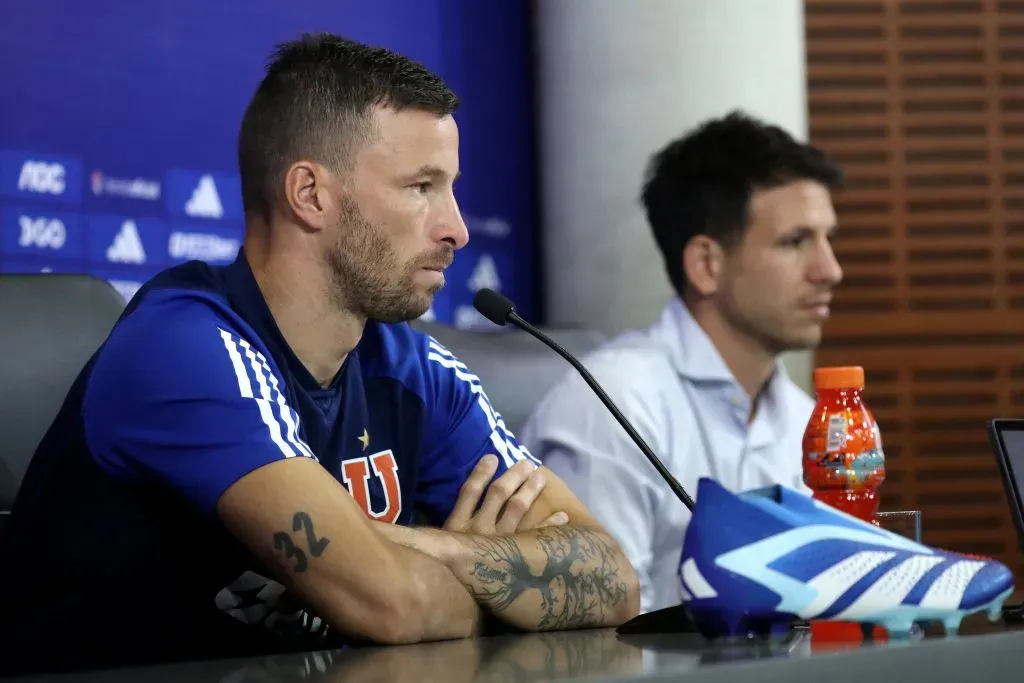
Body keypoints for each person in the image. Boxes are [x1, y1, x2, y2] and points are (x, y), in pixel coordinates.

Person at [0, 34, 639, 675]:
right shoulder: (185, 348)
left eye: (450, 189)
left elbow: (612, 581)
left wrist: (424, 551)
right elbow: (393, 607)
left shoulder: (415, 371)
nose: (457, 229)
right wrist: (492, 587)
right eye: (421, 187)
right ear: (310, 194)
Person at [519, 112, 845, 614]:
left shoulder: (810, 421)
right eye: (796, 242)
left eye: (829, 239)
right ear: (706, 265)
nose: (830, 270)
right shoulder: (614, 403)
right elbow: (602, 633)